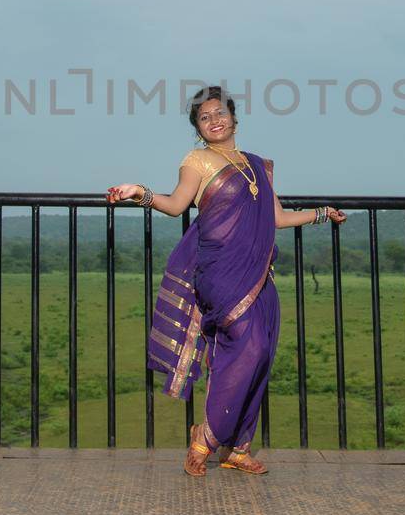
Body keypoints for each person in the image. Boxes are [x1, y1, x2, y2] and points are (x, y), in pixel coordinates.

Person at [106, 86, 346, 476]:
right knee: (247, 347)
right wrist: (139, 193)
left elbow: (277, 218)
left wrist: (322, 213)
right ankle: (205, 436)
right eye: (204, 117)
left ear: (234, 117)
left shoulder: (257, 165)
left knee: (262, 353)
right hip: (221, 272)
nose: (214, 120)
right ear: (198, 129)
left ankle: (236, 448)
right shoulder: (197, 161)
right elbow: (175, 205)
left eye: (220, 112)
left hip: (258, 273)